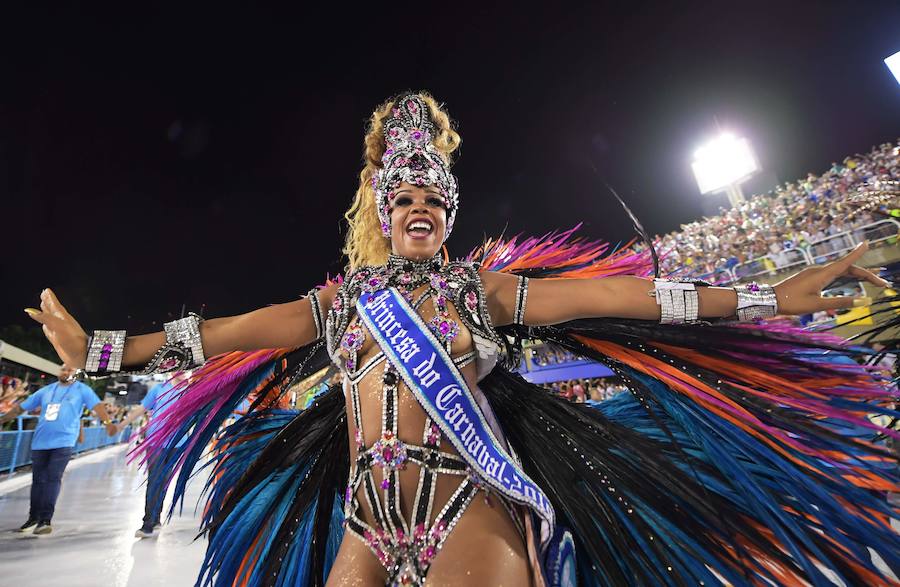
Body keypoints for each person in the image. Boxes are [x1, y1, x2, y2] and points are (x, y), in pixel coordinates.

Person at [22, 93, 900, 585]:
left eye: (435, 201)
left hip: (466, 507)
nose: (419, 209)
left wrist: (773, 294)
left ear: (450, 214)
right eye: (404, 198)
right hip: (370, 522)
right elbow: (218, 336)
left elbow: (631, 294)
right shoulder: (342, 303)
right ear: (382, 209)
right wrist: (100, 351)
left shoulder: (481, 291)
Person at [0, 364, 116, 534]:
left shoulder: (82, 390)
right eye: (63, 369)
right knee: (38, 480)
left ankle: (45, 519)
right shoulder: (46, 390)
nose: (65, 372)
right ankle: (33, 517)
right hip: (40, 442)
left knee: (53, 478)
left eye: (69, 370)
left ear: (76, 373)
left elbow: (98, 407)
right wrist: (2, 420)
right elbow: (20, 408)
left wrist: (108, 424)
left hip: (64, 441)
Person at [114, 371, 188, 538]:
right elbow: (141, 409)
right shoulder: (159, 389)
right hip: (156, 442)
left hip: (178, 444)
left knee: (164, 481)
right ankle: (148, 522)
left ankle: (156, 518)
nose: (182, 372)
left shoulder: (190, 390)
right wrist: (122, 425)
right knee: (155, 480)